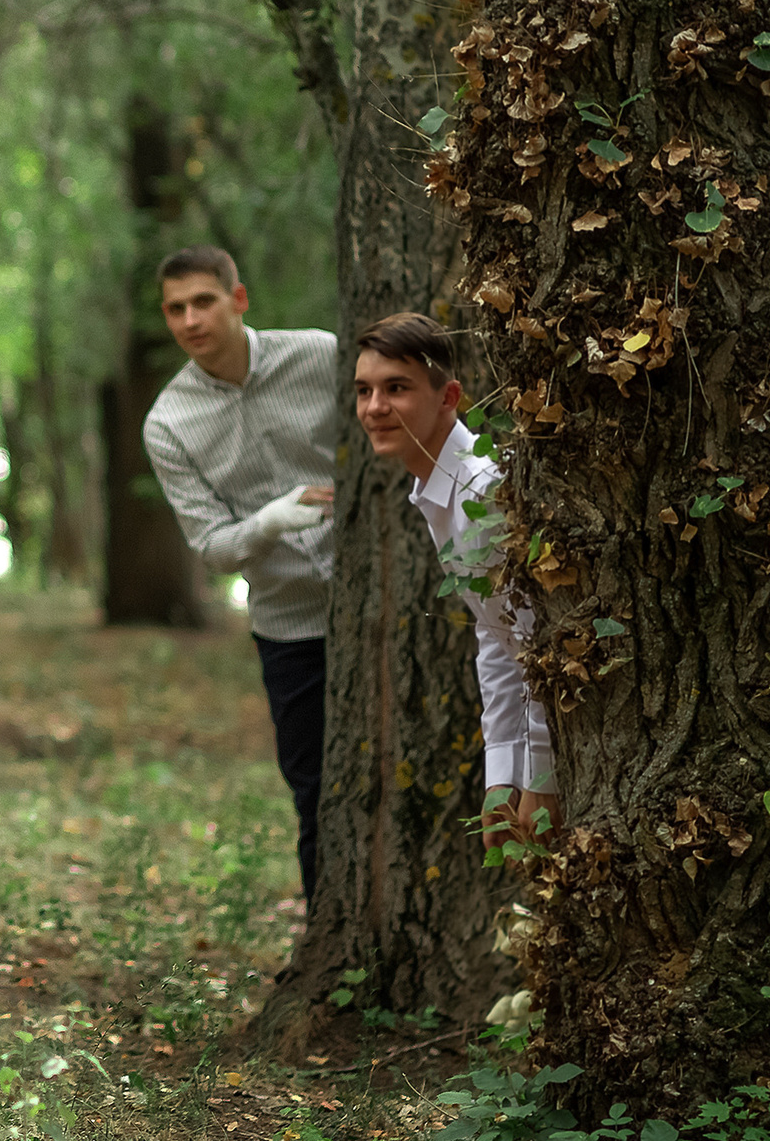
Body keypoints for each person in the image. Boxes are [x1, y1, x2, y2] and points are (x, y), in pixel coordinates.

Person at [140, 245, 336, 902]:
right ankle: (327, 943)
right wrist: (270, 522)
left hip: (385, 605)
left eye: (203, 301)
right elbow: (212, 546)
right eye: (175, 308)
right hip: (291, 624)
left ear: (238, 298)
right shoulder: (169, 422)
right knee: (316, 793)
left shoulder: (318, 355)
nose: (190, 319)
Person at [351, 312, 558, 848]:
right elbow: (497, 633)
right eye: (364, 391)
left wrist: (541, 776)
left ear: (448, 397)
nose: (375, 408)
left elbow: (543, 636)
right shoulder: (437, 492)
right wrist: (501, 778)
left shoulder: (485, 490)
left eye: (396, 388)